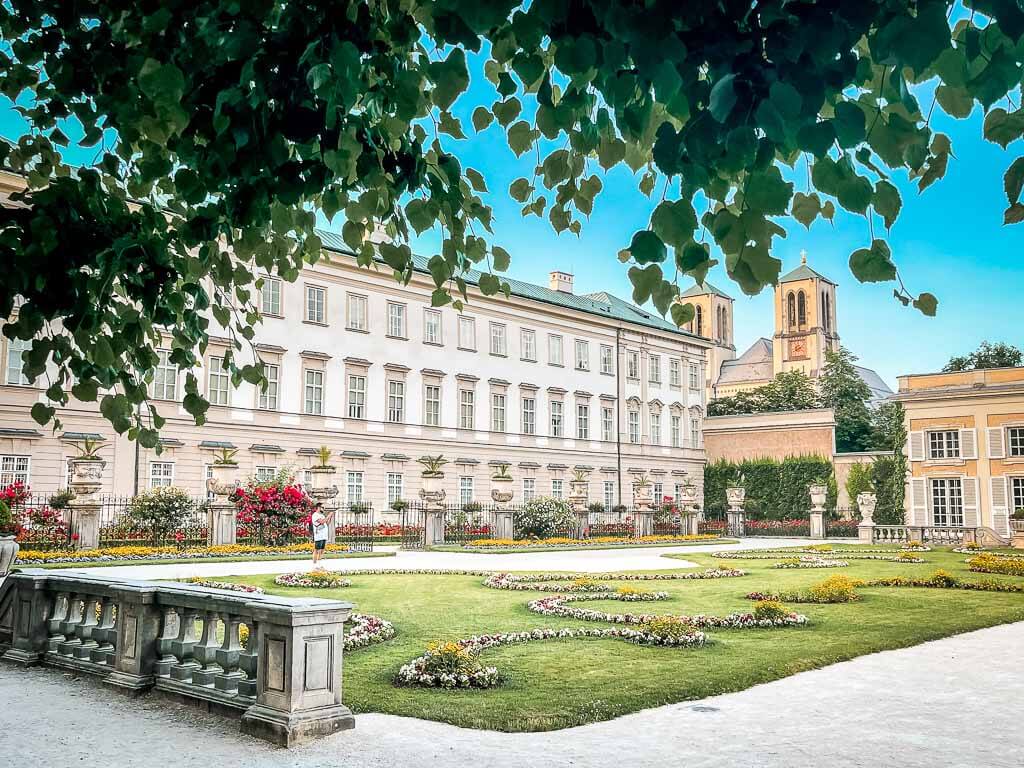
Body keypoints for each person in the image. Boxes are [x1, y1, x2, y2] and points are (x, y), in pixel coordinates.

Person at [309, 503, 335, 569]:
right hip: (319, 535)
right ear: (318, 507)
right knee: (317, 550)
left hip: (324, 535)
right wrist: (329, 515)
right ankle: (314, 564)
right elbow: (322, 522)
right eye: (322, 507)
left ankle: (319, 563)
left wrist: (330, 517)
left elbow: (327, 523)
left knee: (322, 550)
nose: (323, 509)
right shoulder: (315, 515)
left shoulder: (322, 515)